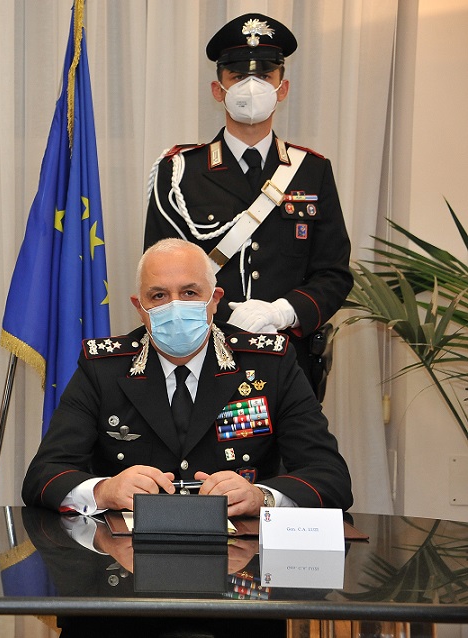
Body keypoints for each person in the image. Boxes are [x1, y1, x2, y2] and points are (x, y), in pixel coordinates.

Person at [22, 238, 352, 517]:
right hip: (128, 555)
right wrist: (103, 491)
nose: (175, 307)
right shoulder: (103, 368)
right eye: (159, 296)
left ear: (215, 300)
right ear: (139, 307)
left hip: (239, 557)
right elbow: (43, 476)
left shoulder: (269, 364)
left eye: (190, 293)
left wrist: (261, 497)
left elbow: (330, 477)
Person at [143, 13, 352, 398]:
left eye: (265, 76)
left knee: (293, 441)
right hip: (203, 359)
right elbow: (159, 277)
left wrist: (282, 312)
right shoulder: (179, 172)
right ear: (218, 89)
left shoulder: (312, 171)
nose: (251, 87)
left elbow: (333, 273)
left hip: (290, 362)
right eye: (238, 76)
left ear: (282, 88)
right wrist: (225, 313)